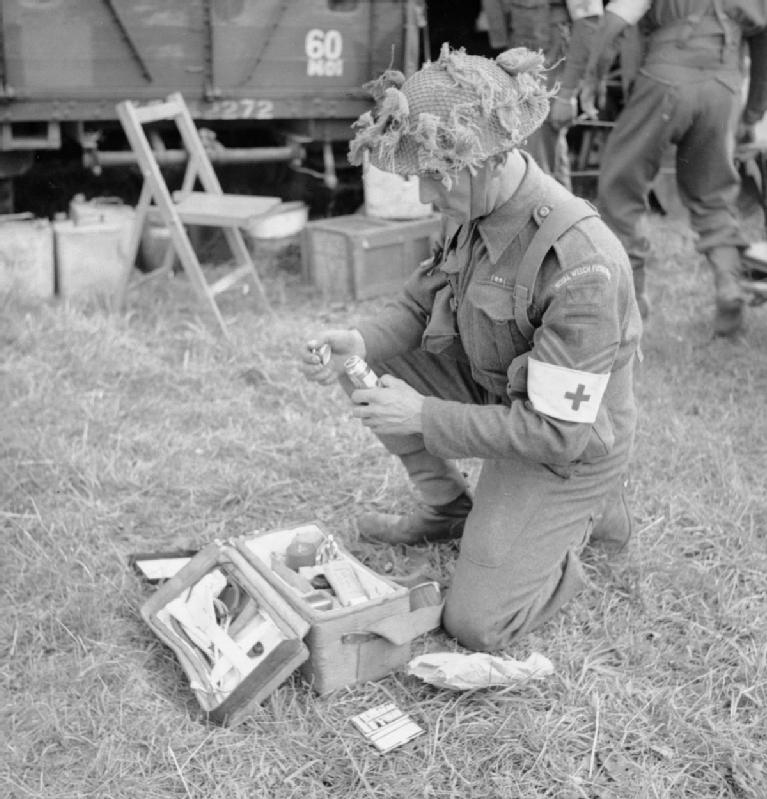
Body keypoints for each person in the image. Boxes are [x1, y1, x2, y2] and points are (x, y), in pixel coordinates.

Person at [299, 45, 642, 651]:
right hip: (500, 394)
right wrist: (360, 342)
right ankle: (450, 510)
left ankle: (578, 522)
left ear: (490, 159)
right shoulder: (470, 203)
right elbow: (417, 304)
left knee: (477, 624)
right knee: (365, 364)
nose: (424, 194)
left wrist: (423, 416)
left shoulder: (581, 264)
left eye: (434, 175)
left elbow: (557, 433)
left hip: (567, 443)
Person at [578, 0, 767, 335]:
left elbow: (615, 21)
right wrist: (752, 114)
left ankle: (631, 306)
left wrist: (593, 77)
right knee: (715, 194)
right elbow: (763, 43)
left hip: (664, 78)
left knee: (620, 189)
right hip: (724, 86)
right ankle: (728, 286)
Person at [480, 0, 606, 188]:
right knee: (528, 154)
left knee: (538, 155)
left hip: (548, 56)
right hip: (518, 53)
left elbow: (589, 23)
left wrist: (567, 94)